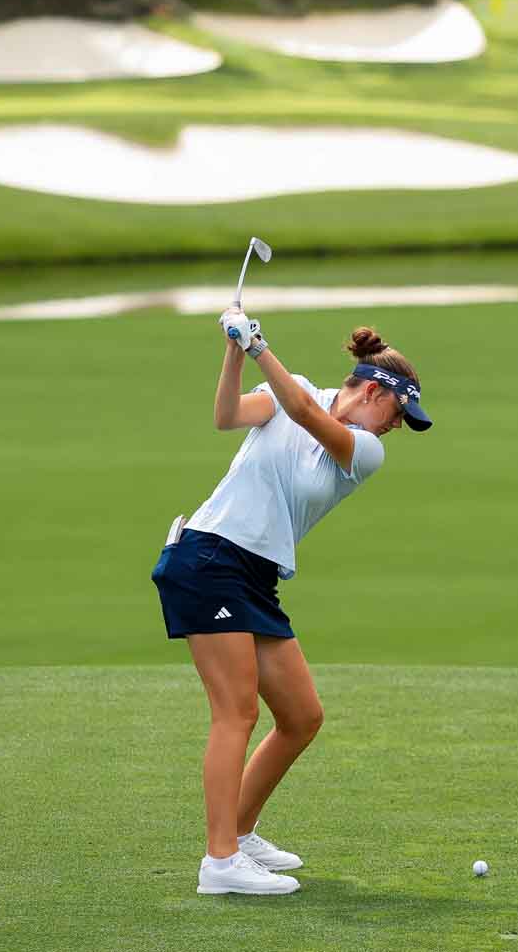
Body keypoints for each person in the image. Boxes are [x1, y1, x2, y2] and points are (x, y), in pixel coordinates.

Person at [151, 306, 431, 895]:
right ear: (377, 393)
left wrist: (257, 345)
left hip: (253, 575)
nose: (394, 429)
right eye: (399, 416)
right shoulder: (292, 387)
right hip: (208, 559)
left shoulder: (363, 449)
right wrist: (234, 349)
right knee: (237, 712)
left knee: (302, 716)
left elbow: (304, 415)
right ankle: (220, 863)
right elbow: (227, 415)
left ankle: (240, 833)